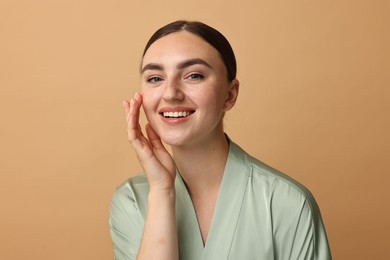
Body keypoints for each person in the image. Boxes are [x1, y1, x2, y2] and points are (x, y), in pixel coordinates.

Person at [109, 20, 332, 260]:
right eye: (155, 78)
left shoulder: (287, 203)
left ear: (230, 94)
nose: (171, 93)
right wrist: (162, 192)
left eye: (193, 75)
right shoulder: (132, 200)